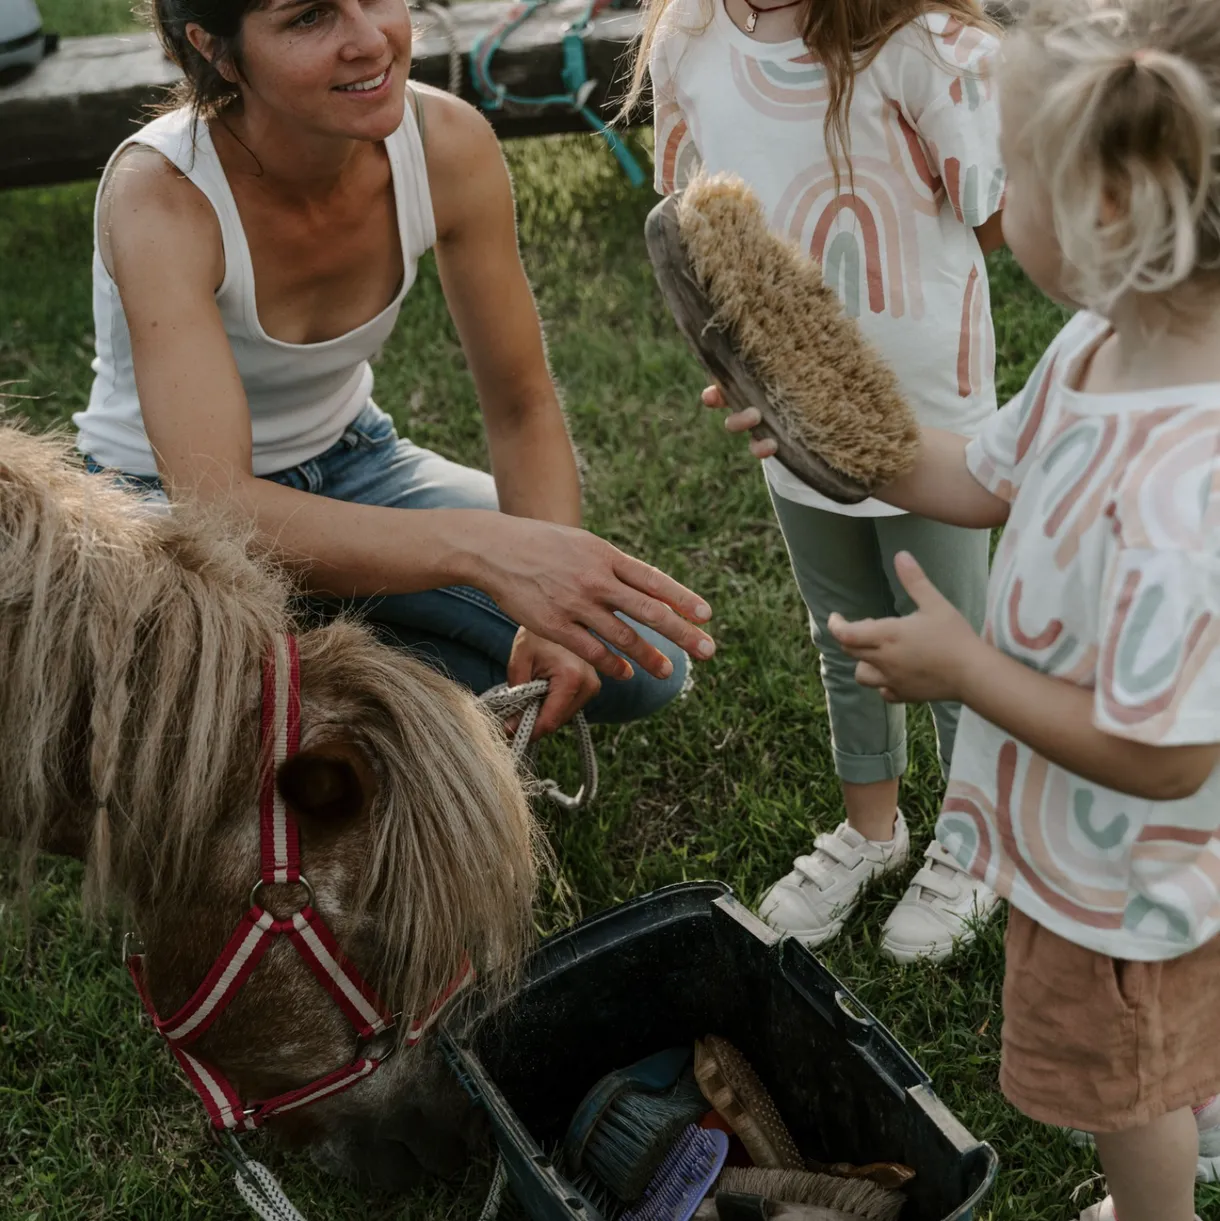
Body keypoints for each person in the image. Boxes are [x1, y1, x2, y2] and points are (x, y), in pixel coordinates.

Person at [717, 0, 1220, 1214]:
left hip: (1118, 870)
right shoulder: (1094, 350)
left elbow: (1168, 756)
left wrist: (965, 670)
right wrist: (821, 432)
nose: (991, 192)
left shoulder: (1178, 488)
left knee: (1123, 1086)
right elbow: (977, 479)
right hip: (1152, 861)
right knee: (1175, 1015)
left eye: (1012, 169)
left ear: (1105, 208)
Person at [75, 0, 717, 741]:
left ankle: (315, 658)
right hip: (164, 512)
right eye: (309, 17)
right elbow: (216, 506)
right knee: (192, 732)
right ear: (216, 49)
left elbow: (521, 403)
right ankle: (321, 675)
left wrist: (548, 601)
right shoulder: (161, 194)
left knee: (633, 658)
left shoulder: (445, 141)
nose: (369, 39)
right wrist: (483, 550)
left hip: (353, 460)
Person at [628, 0, 1006, 960]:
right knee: (843, 629)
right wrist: (751, 356)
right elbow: (696, 220)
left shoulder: (918, 43)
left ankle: (976, 840)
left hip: (932, 409)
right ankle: (873, 830)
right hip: (790, 405)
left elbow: (997, 213)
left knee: (950, 635)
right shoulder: (690, 38)